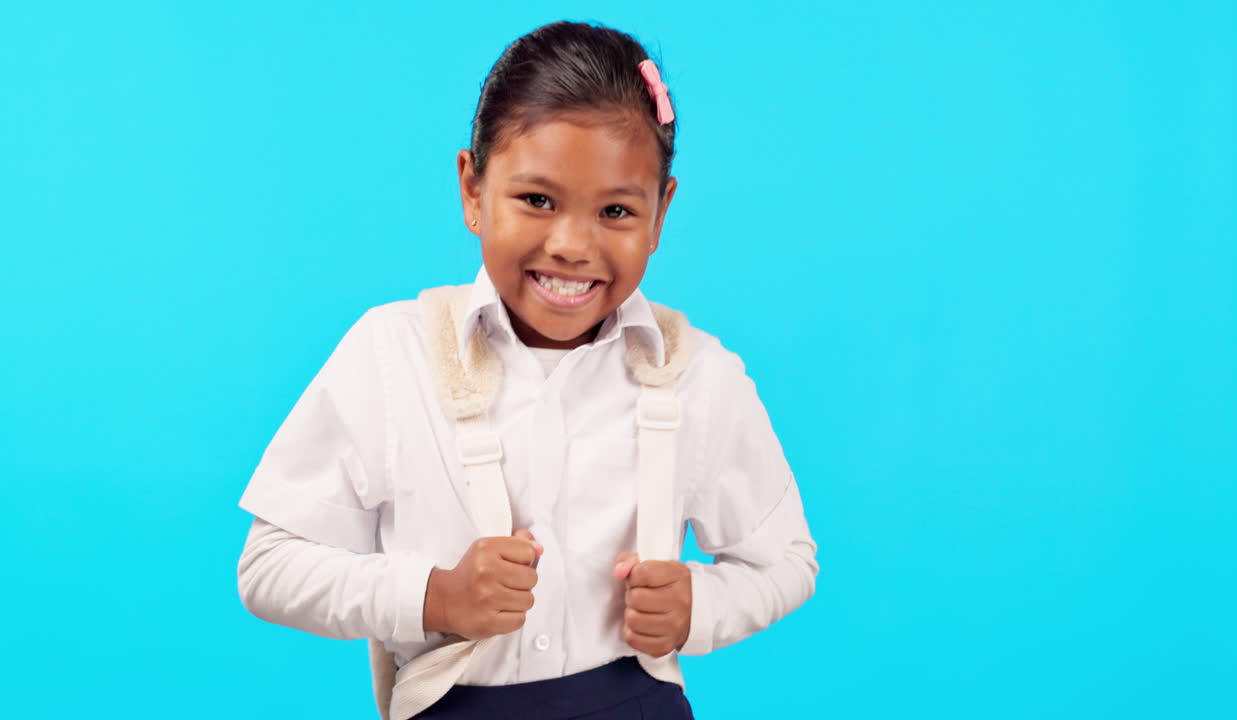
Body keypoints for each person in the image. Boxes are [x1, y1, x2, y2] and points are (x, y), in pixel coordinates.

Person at [236, 20, 818, 720]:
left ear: (660, 213)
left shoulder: (698, 375)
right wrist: (435, 596)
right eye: (537, 200)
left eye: (615, 210)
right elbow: (268, 567)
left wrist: (702, 607)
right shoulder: (392, 355)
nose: (573, 245)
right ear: (472, 189)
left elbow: (787, 561)